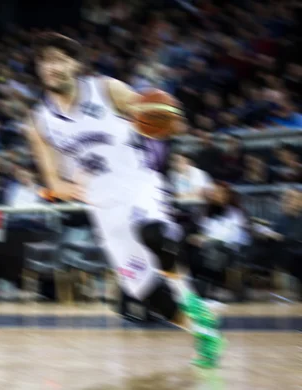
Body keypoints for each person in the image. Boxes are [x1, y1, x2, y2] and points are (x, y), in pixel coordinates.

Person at [24, 32, 224, 368]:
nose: (51, 67)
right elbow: (52, 181)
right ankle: (203, 333)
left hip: (138, 182)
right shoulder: (38, 121)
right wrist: (65, 188)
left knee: (155, 233)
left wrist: (167, 120)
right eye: (45, 61)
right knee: (146, 293)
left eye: (58, 59)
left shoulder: (105, 89)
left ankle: (191, 299)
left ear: (74, 63)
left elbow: (152, 116)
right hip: (102, 205)